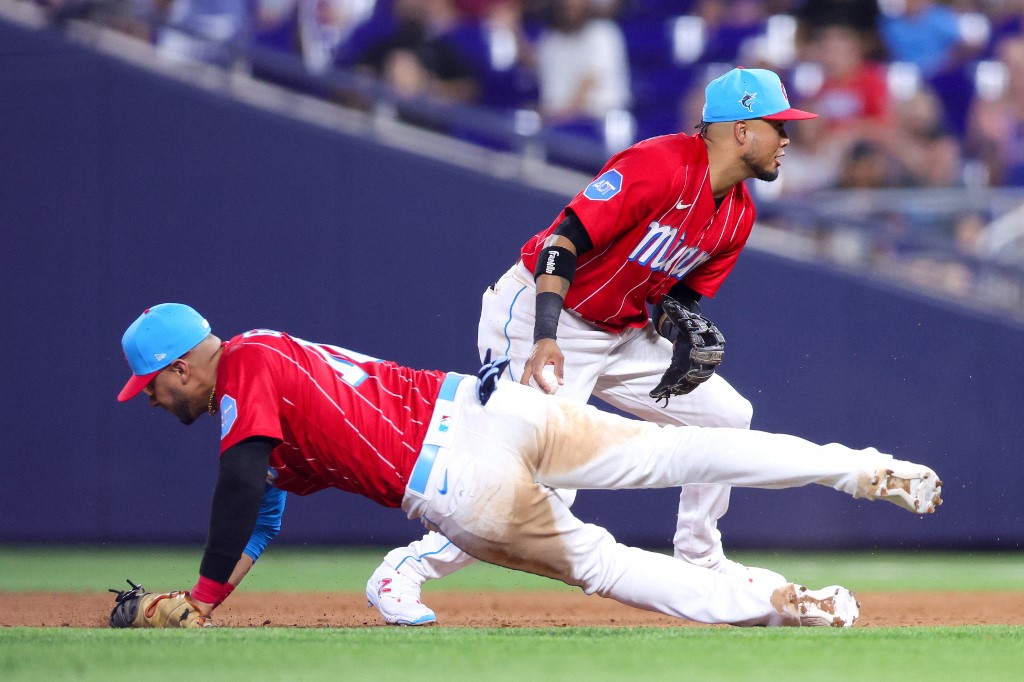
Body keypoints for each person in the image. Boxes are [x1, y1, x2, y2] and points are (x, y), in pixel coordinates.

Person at [115, 302, 943, 629]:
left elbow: (239, 481)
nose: (151, 402)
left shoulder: (245, 372)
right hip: (490, 407)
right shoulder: (269, 358)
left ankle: (785, 607)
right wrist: (213, 596)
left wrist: (200, 600)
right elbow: (262, 503)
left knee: (606, 564)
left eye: (150, 388)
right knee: (676, 447)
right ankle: (858, 467)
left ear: (183, 368)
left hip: (457, 482)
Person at [367, 66, 844, 626]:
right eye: (777, 126)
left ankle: (700, 555)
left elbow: (676, 298)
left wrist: (681, 330)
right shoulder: (660, 163)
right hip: (542, 313)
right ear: (740, 130)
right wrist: (544, 335)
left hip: (618, 331)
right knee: (547, 481)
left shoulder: (738, 213)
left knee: (726, 414)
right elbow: (561, 242)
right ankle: (406, 568)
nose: (787, 139)